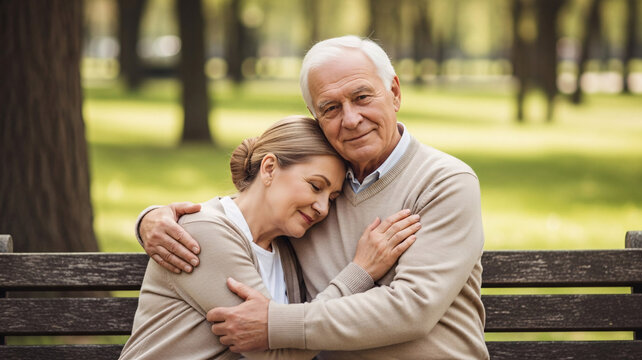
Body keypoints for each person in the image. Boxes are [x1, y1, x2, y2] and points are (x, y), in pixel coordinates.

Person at [137, 35, 488, 359]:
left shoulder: (445, 182)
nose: (351, 119)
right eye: (330, 108)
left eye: (362, 97)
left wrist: (275, 325)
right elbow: (240, 213)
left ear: (394, 92)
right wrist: (153, 219)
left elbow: (413, 308)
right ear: (317, 118)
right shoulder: (309, 204)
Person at [121, 116, 421, 359]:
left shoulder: (286, 250)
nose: (321, 208)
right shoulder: (203, 233)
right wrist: (361, 272)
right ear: (269, 168)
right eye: (316, 186)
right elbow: (277, 354)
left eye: (332, 198)